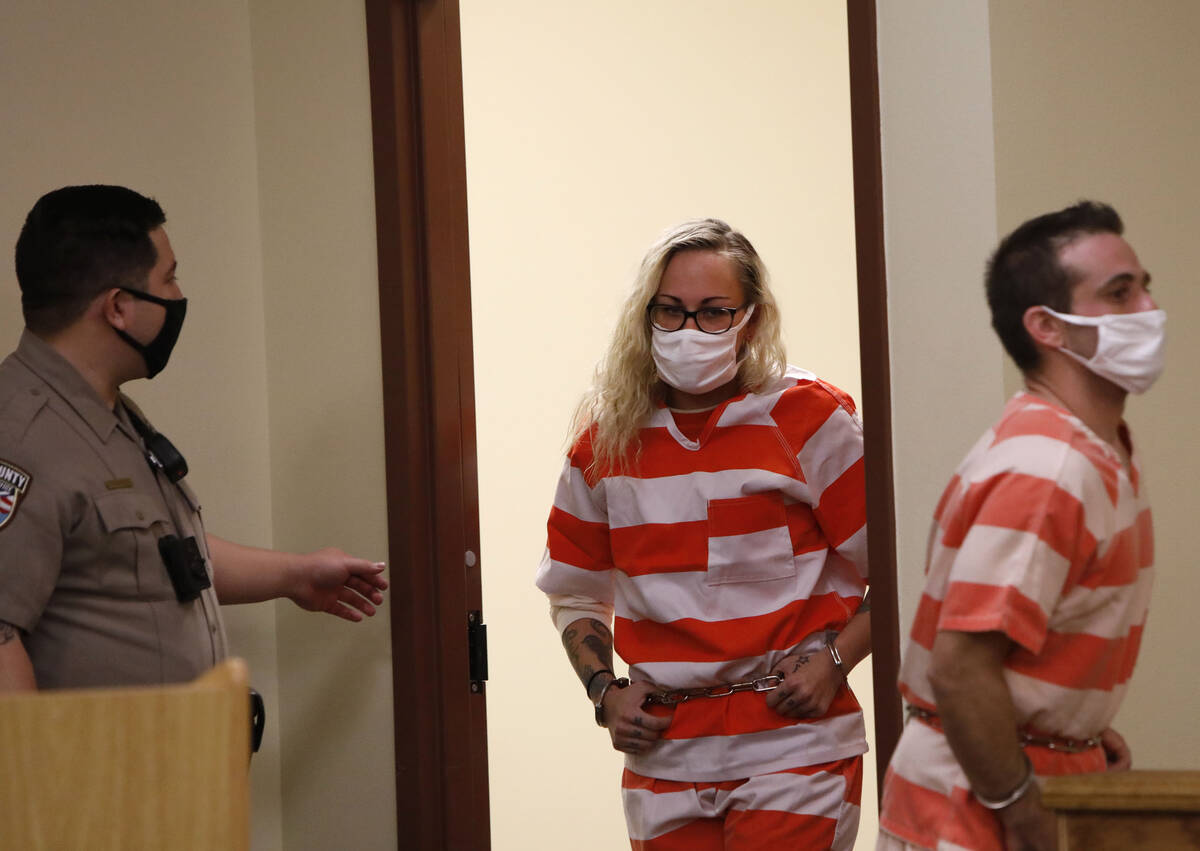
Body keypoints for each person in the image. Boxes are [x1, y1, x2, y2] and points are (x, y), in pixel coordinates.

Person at [535, 218, 871, 849]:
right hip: (664, 757)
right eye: (671, 311)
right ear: (646, 316)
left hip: (794, 746)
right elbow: (574, 592)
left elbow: (904, 567)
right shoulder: (604, 443)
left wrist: (835, 659)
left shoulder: (810, 419)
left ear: (752, 316)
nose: (690, 331)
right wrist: (604, 692)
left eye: (714, 313)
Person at [0, 184, 388, 692]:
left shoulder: (102, 412)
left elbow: (160, 553)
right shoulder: (23, 438)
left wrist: (295, 575)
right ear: (118, 307)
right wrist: (43, 774)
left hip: (174, 765)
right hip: (90, 771)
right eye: (169, 277)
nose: (178, 297)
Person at [877, 201, 1162, 851]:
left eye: (1145, 287)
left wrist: (1075, 730)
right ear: (1048, 328)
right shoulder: (1048, 466)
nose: (1148, 310)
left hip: (1031, 774)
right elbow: (960, 669)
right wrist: (1019, 804)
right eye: (1120, 293)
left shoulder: (1099, 445)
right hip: (968, 812)